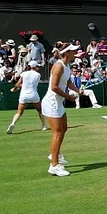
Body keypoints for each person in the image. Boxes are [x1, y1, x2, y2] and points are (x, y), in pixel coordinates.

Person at [41, 43, 82, 177]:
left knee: (64, 129)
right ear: (66, 53)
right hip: (52, 103)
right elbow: (54, 87)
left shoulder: (67, 66)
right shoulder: (58, 66)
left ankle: (55, 154)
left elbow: (68, 81)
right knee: (57, 134)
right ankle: (54, 165)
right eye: (73, 51)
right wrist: (68, 97)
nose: (75, 52)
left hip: (58, 103)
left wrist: (77, 90)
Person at [7, 61, 48, 134]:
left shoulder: (24, 74)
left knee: (19, 112)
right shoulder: (38, 75)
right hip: (33, 95)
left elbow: (18, 84)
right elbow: (31, 84)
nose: (38, 68)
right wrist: (18, 87)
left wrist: (14, 89)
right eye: (37, 66)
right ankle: (44, 125)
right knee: (40, 110)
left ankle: (13, 123)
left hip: (24, 95)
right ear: (34, 67)